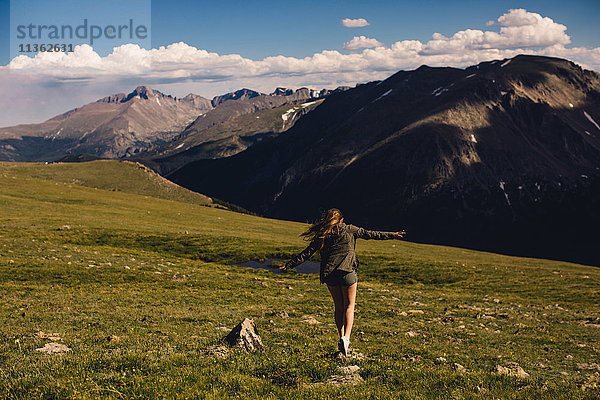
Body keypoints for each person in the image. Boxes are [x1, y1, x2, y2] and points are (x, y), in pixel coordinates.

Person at [279, 208, 405, 356]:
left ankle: (340, 336)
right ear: (341, 220)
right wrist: (393, 235)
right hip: (347, 272)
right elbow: (371, 234)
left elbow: (307, 252)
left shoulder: (323, 234)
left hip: (330, 274)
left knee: (338, 306)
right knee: (349, 306)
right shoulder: (350, 229)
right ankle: (346, 338)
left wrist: (289, 265)